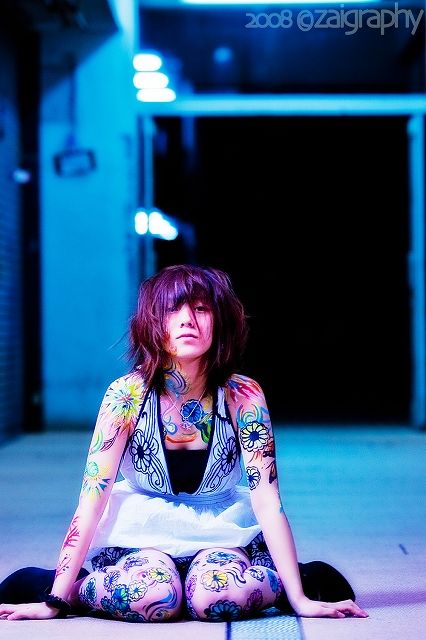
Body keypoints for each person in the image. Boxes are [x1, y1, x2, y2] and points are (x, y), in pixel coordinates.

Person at [0, 264, 368, 623]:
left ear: (220, 322)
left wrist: (299, 599)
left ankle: (286, 581)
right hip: (143, 532)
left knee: (217, 598)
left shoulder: (243, 395)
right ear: (151, 323)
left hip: (220, 531)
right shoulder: (125, 395)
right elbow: (92, 499)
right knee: (152, 598)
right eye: (172, 309)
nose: (187, 320)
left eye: (201, 309)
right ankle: (80, 588)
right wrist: (56, 597)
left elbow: (267, 499)